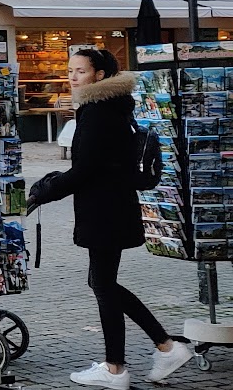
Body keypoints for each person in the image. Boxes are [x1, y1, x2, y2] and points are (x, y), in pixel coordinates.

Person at [28, 48, 191, 388]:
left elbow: (86, 169)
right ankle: (145, 355)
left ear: (99, 75)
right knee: (103, 283)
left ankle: (134, 360)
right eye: (70, 70)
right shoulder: (110, 107)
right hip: (110, 206)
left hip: (104, 209)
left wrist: (46, 191)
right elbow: (96, 165)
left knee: (102, 284)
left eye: (80, 71)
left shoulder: (98, 112)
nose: (72, 77)